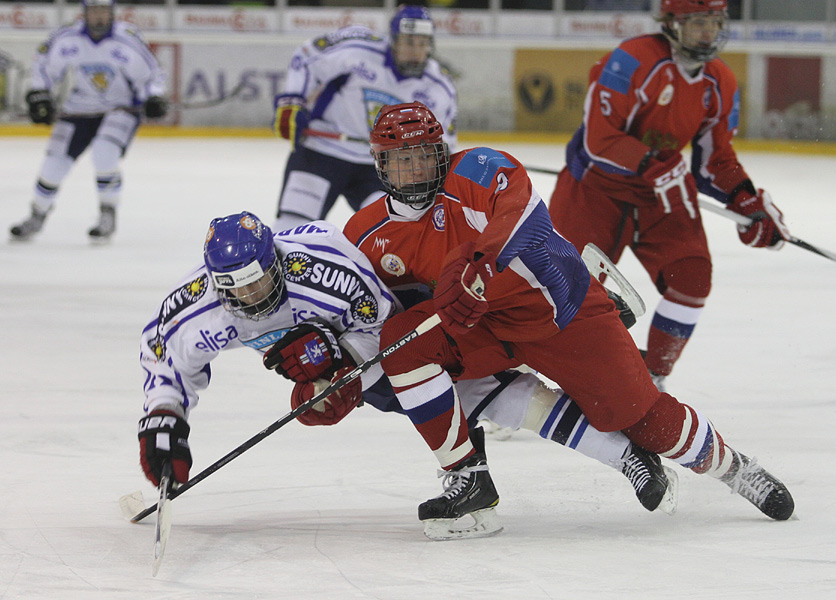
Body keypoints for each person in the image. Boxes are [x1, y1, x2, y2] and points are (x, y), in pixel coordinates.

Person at [343, 101, 794, 540]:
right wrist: (335, 371)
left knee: (645, 420)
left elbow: (524, 214)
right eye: (402, 162)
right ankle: (467, 477)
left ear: (442, 152)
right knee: (400, 344)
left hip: (562, 310)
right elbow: (358, 306)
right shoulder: (364, 234)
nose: (417, 171)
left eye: (424, 156)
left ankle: (736, 469)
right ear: (381, 165)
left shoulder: (478, 168)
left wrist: (479, 263)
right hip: (484, 327)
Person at [136, 211, 677, 536]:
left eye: (259, 283)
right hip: (368, 337)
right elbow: (166, 359)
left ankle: (572, 290)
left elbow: (388, 335)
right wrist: (164, 418)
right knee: (433, 398)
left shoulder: (323, 272)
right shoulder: (196, 308)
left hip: (407, 298)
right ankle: (487, 470)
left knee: (461, 386)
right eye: (237, 291)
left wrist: (333, 355)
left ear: (276, 261)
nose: (251, 299)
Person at [546, 0, 790, 391]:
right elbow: (598, 138)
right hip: (594, 190)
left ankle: (651, 379)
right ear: (672, 24)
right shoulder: (632, 61)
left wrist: (746, 200)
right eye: (697, 23)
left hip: (663, 193)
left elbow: (715, 160)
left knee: (692, 276)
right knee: (551, 291)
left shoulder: (720, 81)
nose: (708, 32)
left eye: (714, 22)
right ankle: (514, 380)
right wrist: (650, 164)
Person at [271, 4, 457, 232]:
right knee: (292, 227)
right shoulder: (358, 50)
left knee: (394, 235)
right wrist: (292, 101)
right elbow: (307, 56)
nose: (416, 51)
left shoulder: (439, 87)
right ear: (394, 41)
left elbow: (444, 146)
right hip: (322, 152)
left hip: (382, 169)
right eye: (409, 42)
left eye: (422, 43)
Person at [8, 0, 167, 243]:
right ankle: (37, 215)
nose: (99, 16)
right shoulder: (67, 38)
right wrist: (39, 95)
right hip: (78, 109)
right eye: (94, 10)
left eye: (104, 10)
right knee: (53, 163)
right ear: (84, 12)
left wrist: (154, 96)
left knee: (105, 154)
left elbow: (152, 74)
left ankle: (107, 214)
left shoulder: (127, 39)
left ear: (112, 12)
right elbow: (42, 66)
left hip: (119, 108)